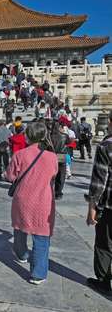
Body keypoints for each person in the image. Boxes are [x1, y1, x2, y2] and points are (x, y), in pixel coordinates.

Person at [6, 122, 58, 285]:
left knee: (20, 228)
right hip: (43, 200)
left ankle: (21, 254)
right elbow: (54, 174)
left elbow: (10, 177)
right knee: (41, 237)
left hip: (23, 199)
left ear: (27, 136)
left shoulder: (19, 155)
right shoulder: (52, 157)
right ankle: (38, 273)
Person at [85, 110, 112, 296]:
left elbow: (99, 182)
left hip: (109, 206)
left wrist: (92, 207)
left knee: (104, 243)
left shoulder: (106, 146)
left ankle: (103, 282)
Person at [50, 121, 70, 200]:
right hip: (62, 155)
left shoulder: (49, 136)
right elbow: (68, 142)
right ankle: (58, 192)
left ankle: (50, 190)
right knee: (61, 175)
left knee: (51, 174)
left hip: (52, 156)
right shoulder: (65, 136)